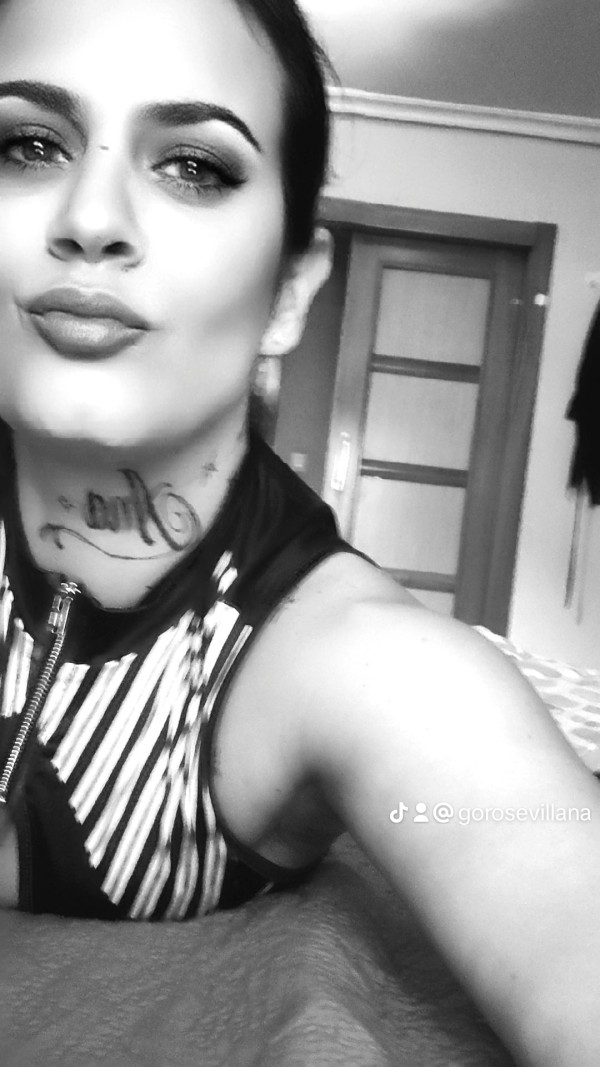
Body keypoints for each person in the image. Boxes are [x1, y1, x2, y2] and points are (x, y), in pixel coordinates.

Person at [0, 0, 599, 1063]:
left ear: (287, 292)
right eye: (28, 145)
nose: (91, 218)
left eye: (194, 165)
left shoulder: (368, 666)